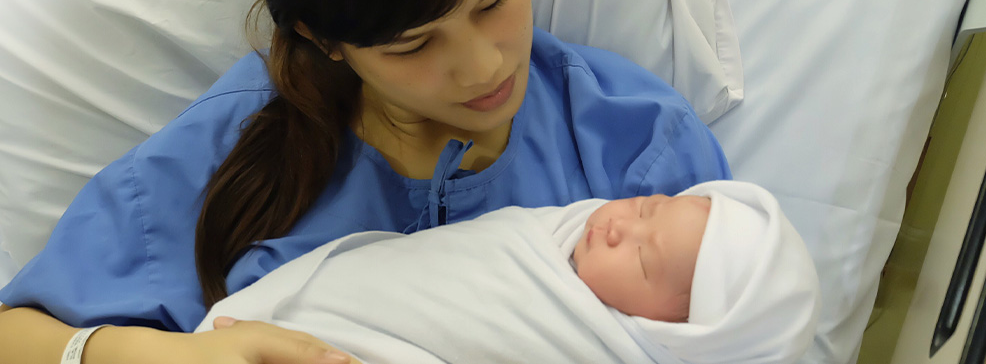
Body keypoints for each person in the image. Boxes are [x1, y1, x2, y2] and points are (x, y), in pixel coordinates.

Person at [0, 0, 732, 363]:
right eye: (413, 45)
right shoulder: (227, 152)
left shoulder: (639, 153)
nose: (482, 68)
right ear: (326, 40)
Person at [198, 181, 820, 364]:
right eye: (645, 208)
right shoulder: (552, 233)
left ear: (674, 335)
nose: (618, 227)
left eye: (642, 260)